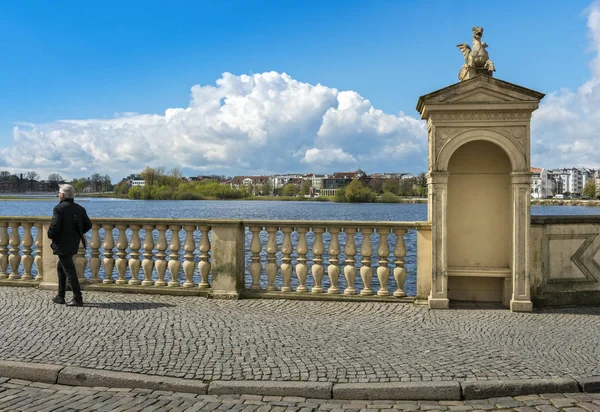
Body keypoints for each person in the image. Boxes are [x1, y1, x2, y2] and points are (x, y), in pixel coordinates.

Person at [48, 184, 92, 306]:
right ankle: (60, 296)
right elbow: (88, 225)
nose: (58, 196)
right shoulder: (80, 208)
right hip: (73, 242)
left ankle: (78, 298)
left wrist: (50, 234)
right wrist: (76, 233)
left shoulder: (59, 208)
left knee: (69, 270)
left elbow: (54, 226)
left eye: (59, 194)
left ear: (62, 195)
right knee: (61, 267)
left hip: (61, 243)